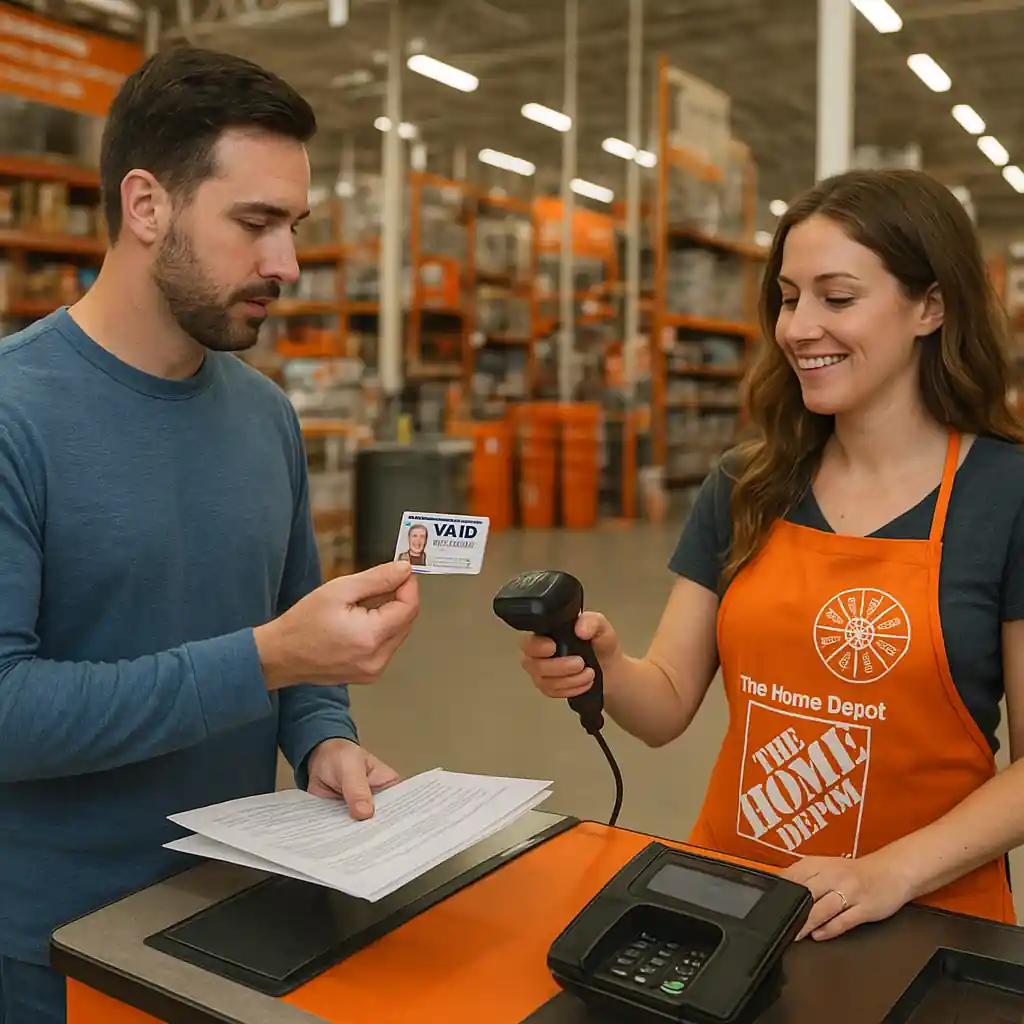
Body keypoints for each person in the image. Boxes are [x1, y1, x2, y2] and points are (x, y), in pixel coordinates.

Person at [0, 47, 419, 1022]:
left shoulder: (265, 415)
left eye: (293, 228)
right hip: (55, 954)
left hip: (233, 919)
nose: (287, 264)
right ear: (147, 206)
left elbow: (294, 636)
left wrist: (322, 737)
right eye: (255, 223)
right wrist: (265, 660)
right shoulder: (15, 415)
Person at [519, 168, 1024, 945]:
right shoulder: (748, 483)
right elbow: (666, 706)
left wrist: (888, 872)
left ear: (931, 306)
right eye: (789, 299)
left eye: (837, 297)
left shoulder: (1007, 496)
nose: (798, 328)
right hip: (734, 901)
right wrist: (605, 664)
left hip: (924, 922)